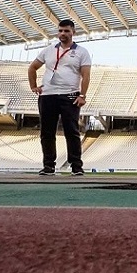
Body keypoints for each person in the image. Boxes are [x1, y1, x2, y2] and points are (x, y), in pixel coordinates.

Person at [27, 19, 91, 176]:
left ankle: (76, 166)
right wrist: (33, 86)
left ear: (73, 32)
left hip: (70, 95)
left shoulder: (82, 52)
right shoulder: (48, 50)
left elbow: (86, 75)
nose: (63, 33)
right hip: (48, 95)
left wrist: (82, 95)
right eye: (60, 30)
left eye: (66, 31)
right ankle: (48, 166)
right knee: (47, 132)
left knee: (72, 131)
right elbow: (32, 67)